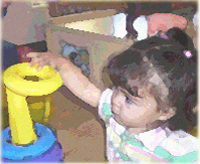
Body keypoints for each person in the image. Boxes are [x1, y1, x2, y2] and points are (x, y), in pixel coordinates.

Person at [27, 27, 197, 161]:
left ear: (165, 112)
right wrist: (59, 62)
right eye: (117, 89)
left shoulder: (177, 149)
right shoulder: (113, 112)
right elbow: (85, 88)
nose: (116, 100)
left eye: (129, 99)